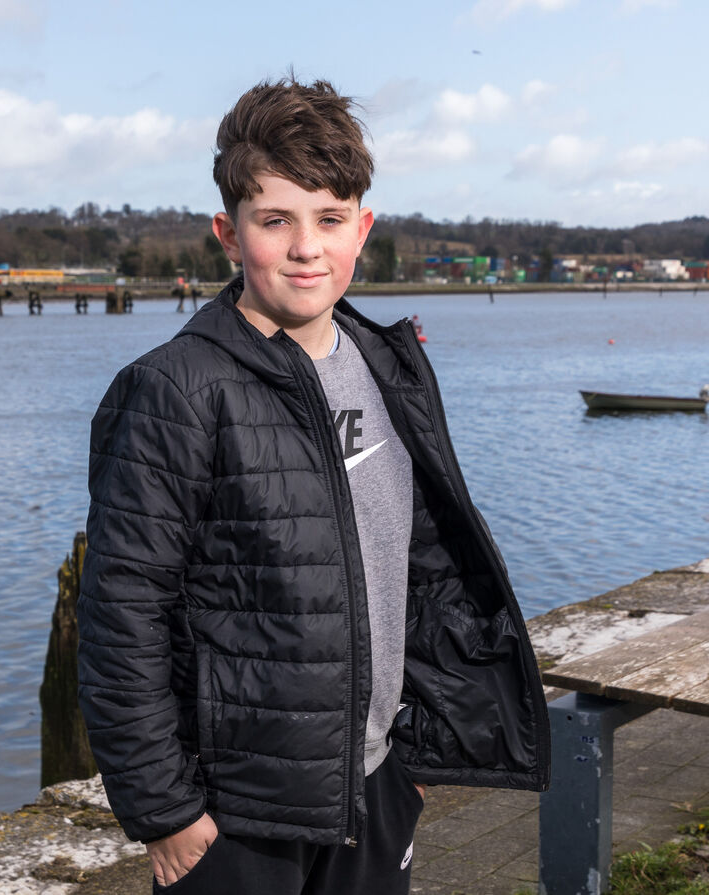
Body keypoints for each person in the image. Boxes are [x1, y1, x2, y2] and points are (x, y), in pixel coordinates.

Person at [76, 76, 550, 895]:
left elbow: (426, 566)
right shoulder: (176, 391)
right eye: (276, 221)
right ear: (229, 233)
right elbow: (123, 615)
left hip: (372, 785)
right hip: (237, 815)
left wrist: (417, 751)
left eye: (330, 219)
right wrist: (166, 812)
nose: (306, 248)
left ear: (361, 228)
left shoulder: (386, 363)